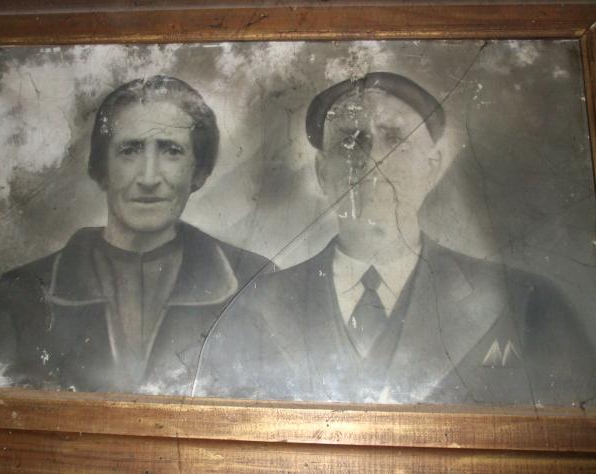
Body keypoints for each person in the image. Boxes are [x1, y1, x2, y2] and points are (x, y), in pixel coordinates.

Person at [194, 72, 596, 405]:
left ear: (432, 168)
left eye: (395, 138)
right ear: (322, 173)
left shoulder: (525, 304)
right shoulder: (253, 308)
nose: (372, 159)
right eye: (350, 140)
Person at [0, 75, 269, 394]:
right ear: (101, 168)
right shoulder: (15, 298)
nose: (148, 178)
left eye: (171, 151)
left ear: (198, 172)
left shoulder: (256, 283)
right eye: (129, 150)